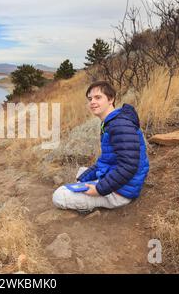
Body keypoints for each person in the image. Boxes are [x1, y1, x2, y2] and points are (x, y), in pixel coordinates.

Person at [52, 80, 150, 213]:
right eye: (90, 99)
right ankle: (88, 189)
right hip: (119, 181)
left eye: (98, 97)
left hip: (121, 192)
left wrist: (99, 189)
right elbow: (107, 160)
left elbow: (129, 165)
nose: (92, 102)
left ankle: (94, 203)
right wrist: (82, 179)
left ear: (111, 99)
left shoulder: (120, 125)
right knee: (81, 173)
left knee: (59, 196)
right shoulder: (110, 122)